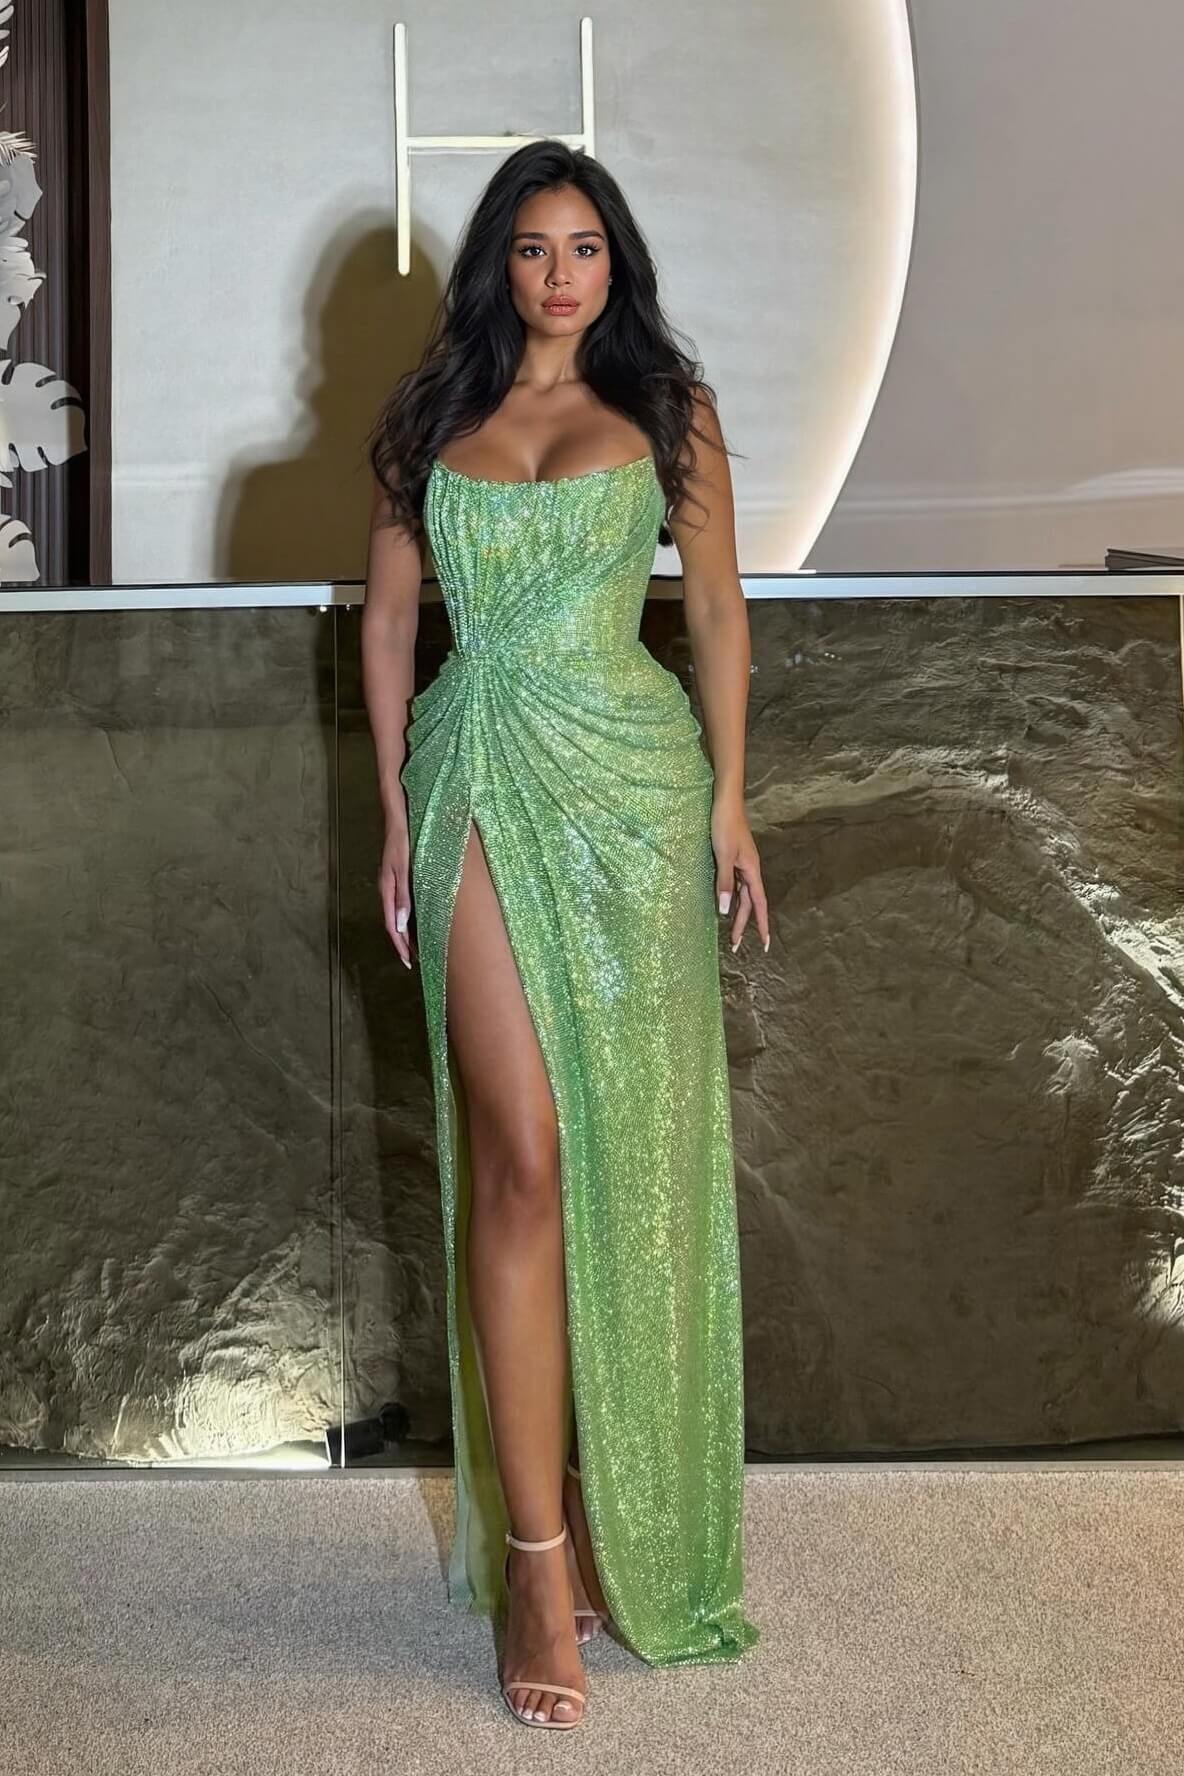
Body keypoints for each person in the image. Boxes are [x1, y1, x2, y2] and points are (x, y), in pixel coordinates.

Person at [361, 138, 768, 1731]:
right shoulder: (428, 421)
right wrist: (393, 813)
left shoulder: (670, 408)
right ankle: (536, 1558)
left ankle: (620, 1516)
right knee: (521, 1153)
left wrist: (731, 801)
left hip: (632, 788)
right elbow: (389, 623)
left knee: (628, 1165)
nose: (559, 275)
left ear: (616, 263)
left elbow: (718, 610)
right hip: (473, 767)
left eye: (585, 247)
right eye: (533, 249)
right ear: (499, 264)